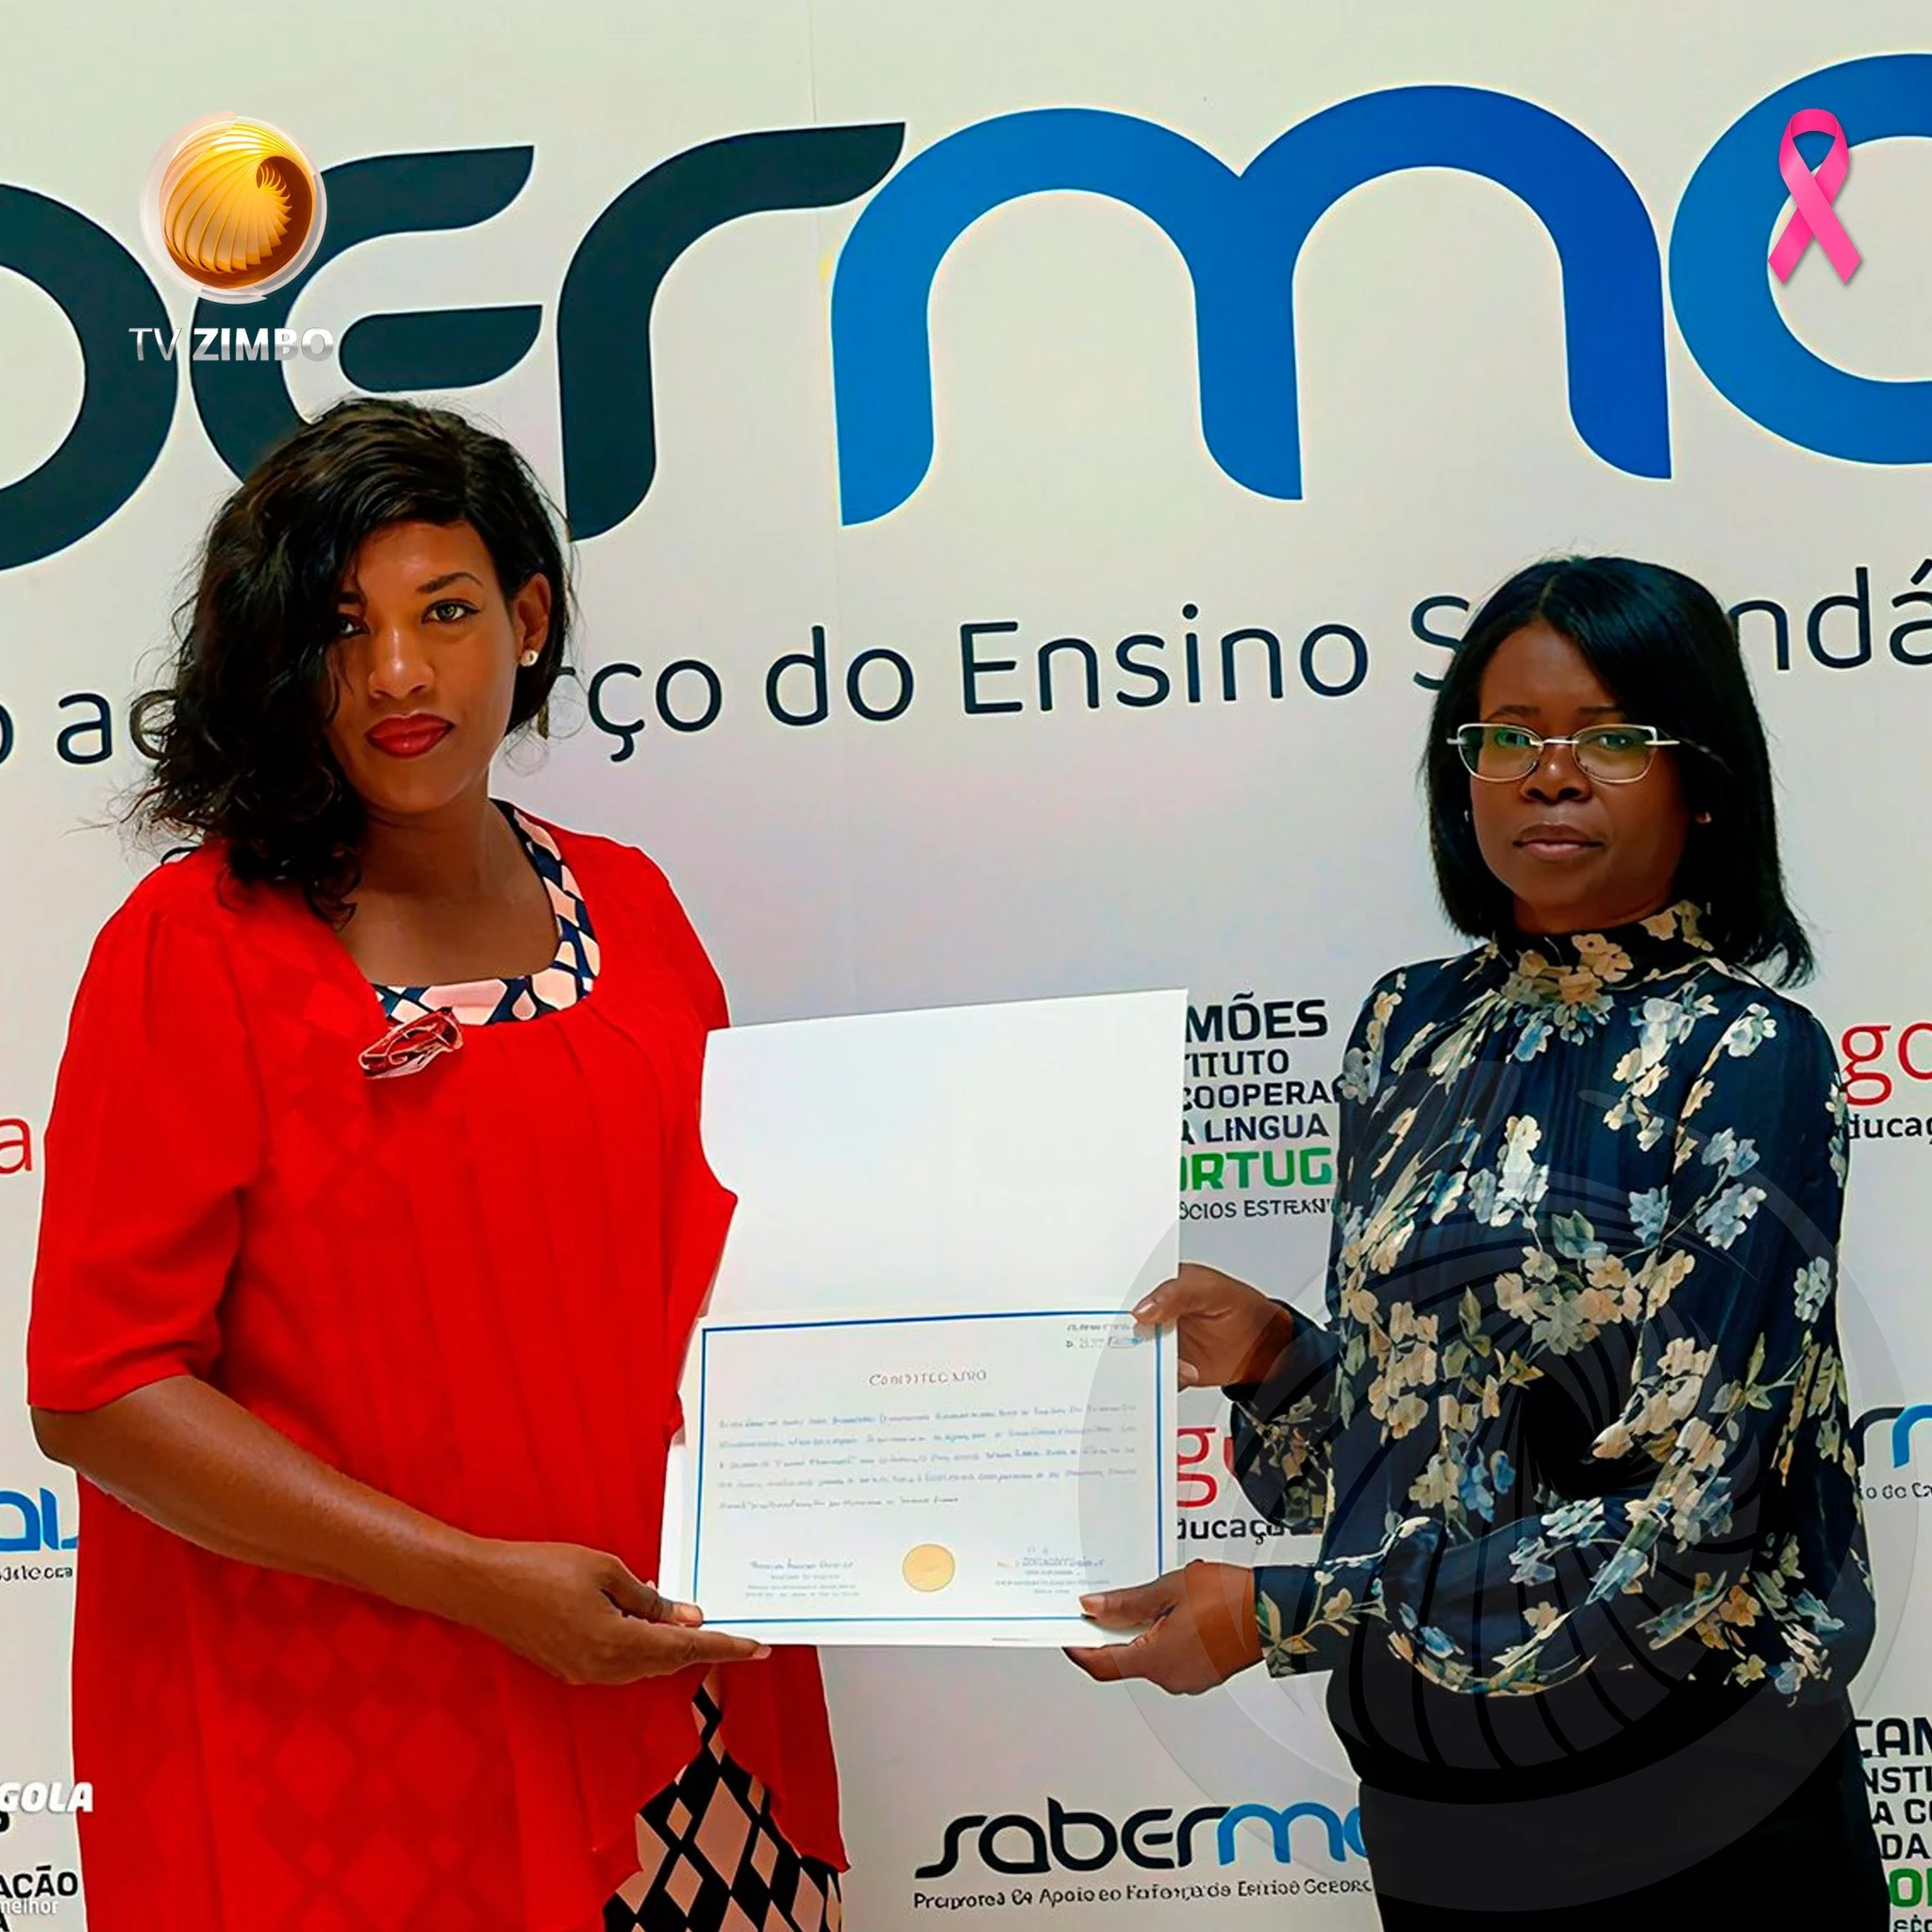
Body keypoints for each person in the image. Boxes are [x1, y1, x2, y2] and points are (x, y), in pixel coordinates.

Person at [27, 397, 843, 1932]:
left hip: (683, 1707)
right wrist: (476, 1581)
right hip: (343, 1758)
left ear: (527, 621)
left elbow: (739, 1270)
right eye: (343, 629)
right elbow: (100, 1385)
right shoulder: (193, 949)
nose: (400, 673)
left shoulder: (633, 907)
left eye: (446, 612)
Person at [1068, 557, 1885, 1925]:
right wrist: (1272, 1358)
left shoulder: (1750, 1055)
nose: (1550, 776)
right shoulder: (1410, 1026)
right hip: (1435, 1804)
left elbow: (1691, 1516)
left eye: (1612, 738)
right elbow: (1398, 1467)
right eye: (1509, 737)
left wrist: (1279, 1613)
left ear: (1701, 779)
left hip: (1697, 1801)